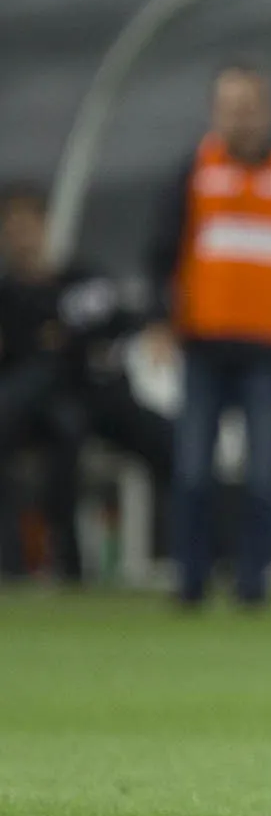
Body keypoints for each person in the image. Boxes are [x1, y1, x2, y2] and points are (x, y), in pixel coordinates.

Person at [144, 62, 271, 608]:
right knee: (194, 473)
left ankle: (253, 588)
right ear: (215, 112)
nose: (241, 116)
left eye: (249, 105)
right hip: (202, 345)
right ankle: (191, 584)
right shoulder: (194, 171)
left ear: (266, 111)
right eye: (231, 106)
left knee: (264, 477)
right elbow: (162, 253)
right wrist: (160, 320)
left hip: (266, 349)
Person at [0, 185, 170, 582]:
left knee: (171, 443)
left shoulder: (83, 281)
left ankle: (201, 556)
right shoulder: (7, 294)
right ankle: (28, 566)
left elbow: (120, 327)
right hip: (36, 413)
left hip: (94, 400)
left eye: (29, 226)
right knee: (57, 428)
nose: (22, 237)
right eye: (13, 228)